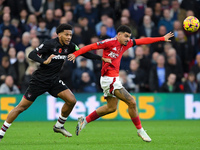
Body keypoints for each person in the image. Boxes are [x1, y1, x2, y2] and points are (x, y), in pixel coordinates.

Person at [0, 24, 111, 141]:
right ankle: (1, 132)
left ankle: (59, 125)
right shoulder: (49, 44)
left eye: (70, 35)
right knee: (21, 107)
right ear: (59, 34)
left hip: (54, 80)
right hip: (39, 80)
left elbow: (84, 52)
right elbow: (31, 54)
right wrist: (44, 61)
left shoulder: (71, 46)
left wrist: (101, 58)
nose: (69, 37)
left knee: (72, 100)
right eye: (66, 34)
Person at [68, 25, 174, 142]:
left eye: (129, 37)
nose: (128, 39)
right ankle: (140, 130)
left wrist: (161, 38)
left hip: (113, 79)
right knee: (132, 102)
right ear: (118, 34)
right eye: (126, 36)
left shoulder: (126, 44)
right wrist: (75, 54)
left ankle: (85, 120)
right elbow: (90, 47)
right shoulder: (109, 42)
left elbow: (142, 41)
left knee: (111, 108)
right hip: (109, 79)